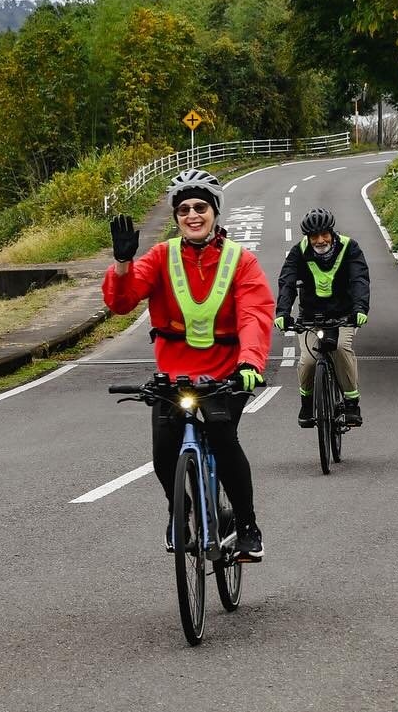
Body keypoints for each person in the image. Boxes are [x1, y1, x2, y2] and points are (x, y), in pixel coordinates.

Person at [104, 168, 275, 561]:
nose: (192, 215)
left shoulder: (239, 260)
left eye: (200, 207)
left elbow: (255, 313)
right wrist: (122, 264)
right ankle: (178, 512)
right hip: (173, 375)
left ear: (215, 212)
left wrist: (250, 362)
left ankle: (248, 527)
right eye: (184, 210)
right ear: (176, 217)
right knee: (164, 452)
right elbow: (121, 302)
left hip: (227, 374)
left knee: (222, 437)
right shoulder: (162, 256)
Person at [274, 207, 371, 428]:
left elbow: (360, 280)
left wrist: (360, 309)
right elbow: (287, 283)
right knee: (308, 361)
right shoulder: (298, 252)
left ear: (332, 232)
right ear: (307, 237)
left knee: (339, 349)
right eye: (314, 236)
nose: (320, 240)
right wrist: (282, 313)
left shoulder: (349, 247)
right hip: (310, 318)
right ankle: (307, 404)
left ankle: (351, 403)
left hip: (344, 317)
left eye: (324, 234)